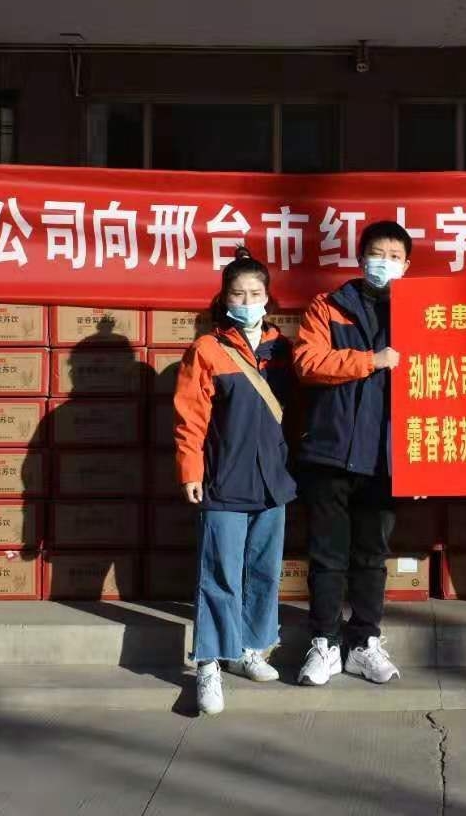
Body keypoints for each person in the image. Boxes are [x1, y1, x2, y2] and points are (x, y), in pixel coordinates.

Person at [172, 249, 297, 715]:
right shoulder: (207, 350)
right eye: (238, 294)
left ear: (268, 298)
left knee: (263, 571)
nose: (247, 301)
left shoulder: (281, 351)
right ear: (224, 299)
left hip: (273, 482)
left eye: (255, 293)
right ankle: (208, 662)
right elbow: (190, 416)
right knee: (220, 573)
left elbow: (298, 413)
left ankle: (249, 649)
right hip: (224, 479)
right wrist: (190, 471)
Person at [292, 220, 408, 687]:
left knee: (371, 557)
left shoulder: (422, 313)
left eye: (394, 256)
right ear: (361, 258)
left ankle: (364, 644)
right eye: (377, 254)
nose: (385, 263)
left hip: (385, 459)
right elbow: (307, 362)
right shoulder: (329, 306)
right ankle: (324, 642)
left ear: (407, 265)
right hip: (331, 453)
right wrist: (371, 361)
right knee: (327, 557)